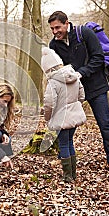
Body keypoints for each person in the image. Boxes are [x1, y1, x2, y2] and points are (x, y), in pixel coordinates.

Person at [47, 10, 109, 167]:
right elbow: (55, 68)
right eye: (52, 29)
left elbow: (98, 58)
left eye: (58, 27)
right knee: (65, 123)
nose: (55, 32)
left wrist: (80, 73)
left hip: (96, 86)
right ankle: (64, 156)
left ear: (67, 23)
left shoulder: (84, 34)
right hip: (72, 89)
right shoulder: (53, 44)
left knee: (104, 123)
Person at [41, 47, 87, 183]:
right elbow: (82, 96)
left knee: (63, 145)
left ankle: (67, 176)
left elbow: (49, 103)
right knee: (70, 142)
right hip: (74, 116)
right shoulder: (74, 76)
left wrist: (47, 117)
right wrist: (75, 107)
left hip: (60, 118)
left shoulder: (53, 83)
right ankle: (73, 174)